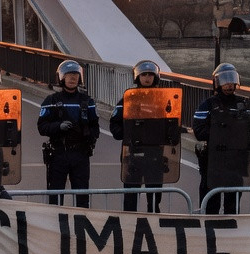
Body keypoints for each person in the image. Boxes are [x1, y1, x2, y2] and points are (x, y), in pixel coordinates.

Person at [193, 63, 250, 215]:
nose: (229, 85)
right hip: (213, 160)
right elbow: (199, 131)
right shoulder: (208, 105)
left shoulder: (243, 104)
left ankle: (230, 229)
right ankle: (210, 228)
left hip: (235, 160)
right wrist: (221, 133)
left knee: (232, 207)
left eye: (232, 80)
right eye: (225, 81)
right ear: (217, 83)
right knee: (210, 205)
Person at [37, 59, 100, 207]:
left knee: (82, 197)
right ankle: (56, 221)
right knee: (55, 196)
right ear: (61, 77)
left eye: (75, 75)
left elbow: (95, 128)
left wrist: (87, 136)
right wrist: (58, 126)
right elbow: (42, 127)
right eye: (69, 75)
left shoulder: (87, 101)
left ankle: (81, 221)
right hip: (58, 153)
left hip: (80, 154)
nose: (72, 78)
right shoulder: (51, 101)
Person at [110, 60, 166, 213]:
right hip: (133, 154)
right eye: (144, 75)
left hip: (155, 154)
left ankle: (153, 223)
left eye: (150, 75)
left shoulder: (162, 99)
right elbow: (114, 125)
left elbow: (171, 124)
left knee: (154, 199)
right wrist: (127, 132)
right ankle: (129, 223)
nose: (147, 78)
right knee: (130, 197)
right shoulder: (128, 99)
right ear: (137, 77)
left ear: (155, 77)